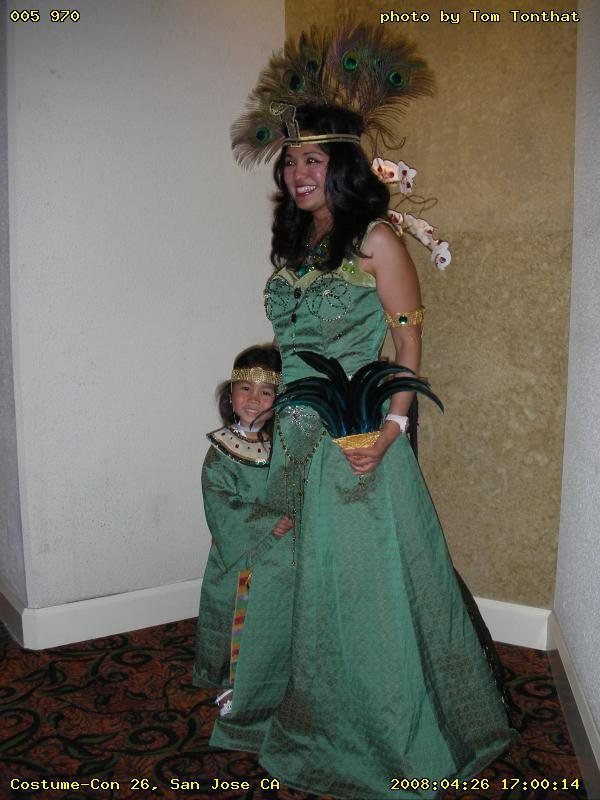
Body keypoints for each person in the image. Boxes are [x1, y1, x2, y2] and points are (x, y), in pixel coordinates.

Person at [211, 103, 517, 800]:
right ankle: (310, 710)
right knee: (302, 578)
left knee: (363, 588)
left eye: (313, 160)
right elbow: (293, 346)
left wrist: (393, 429)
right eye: (290, 161)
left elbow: (407, 343)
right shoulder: (298, 241)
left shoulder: (376, 238)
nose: (297, 174)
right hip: (294, 435)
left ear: (343, 165)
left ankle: (383, 733)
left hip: (353, 435)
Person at [192, 344, 292, 718]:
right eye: (245, 389)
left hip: (279, 554)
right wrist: (268, 522)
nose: (254, 400)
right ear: (231, 394)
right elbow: (219, 502)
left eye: (266, 392)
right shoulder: (220, 451)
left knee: (273, 618)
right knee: (237, 617)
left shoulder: (281, 448)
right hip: (239, 555)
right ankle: (231, 682)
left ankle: (273, 679)